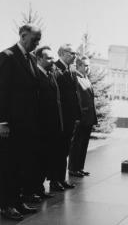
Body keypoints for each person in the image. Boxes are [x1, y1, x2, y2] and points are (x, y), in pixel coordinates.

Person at [0, 24, 41, 221]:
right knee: (8, 165)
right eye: (35, 39)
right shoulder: (8, 56)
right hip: (11, 124)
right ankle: (6, 205)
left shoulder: (31, 58)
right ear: (23, 36)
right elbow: (2, 91)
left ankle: (16, 202)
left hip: (26, 124)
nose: (37, 43)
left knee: (21, 164)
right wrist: (2, 122)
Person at [52, 44, 81, 191]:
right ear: (62, 53)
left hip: (69, 118)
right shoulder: (55, 68)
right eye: (72, 53)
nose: (74, 55)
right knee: (58, 150)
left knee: (64, 150)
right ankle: (54, 180)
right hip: (60, 118)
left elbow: (74, 94)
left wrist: (76, 115)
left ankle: (61, 179)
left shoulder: (70, 70)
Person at [35, 46, 63, 198]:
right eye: (48, 58)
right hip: (41, 126)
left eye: (53, 58)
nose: (53, 61)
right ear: (39, 59)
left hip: (51, 125)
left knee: (46, 158)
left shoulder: (49, 74)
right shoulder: (36, 75)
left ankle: (39, 189)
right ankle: (34, 190)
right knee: (38, 159)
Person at [68, 56, 98, 177]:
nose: (88, 67)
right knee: (77, 144)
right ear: (79, 65)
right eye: (85, 65)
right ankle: (73, 169)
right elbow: (77, 98)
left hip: (89, 117)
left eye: (88, 65)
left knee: (84, 144)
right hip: (81, 117)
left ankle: (79, 167)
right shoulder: (76, 78)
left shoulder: (85, 78)